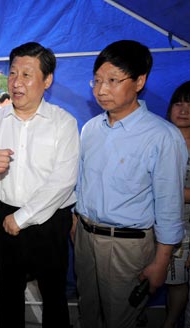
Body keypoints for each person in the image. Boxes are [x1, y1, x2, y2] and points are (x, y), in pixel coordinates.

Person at [0, 42, 79, 328]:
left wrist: (22, 217)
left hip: (50, 221)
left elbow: (63, 182)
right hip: (2, 214)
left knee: (53, 292)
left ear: (47, 80)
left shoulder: (63, 123)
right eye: (13, 73)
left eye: (26, 74)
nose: (16, 82)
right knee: (9, 291)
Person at [73, 40, 186, 328]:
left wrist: (161, 261)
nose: (101, 90)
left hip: (128, 247)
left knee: (121, 319)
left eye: (113, 80)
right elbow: (82, 182)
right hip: (85, 239)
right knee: (88, 312)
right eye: (97, 80)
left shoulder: (162, 136)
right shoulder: (90, 129)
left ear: (139, 81)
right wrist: (76, 224)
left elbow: (169, 205)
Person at [164, 81, 190, 328]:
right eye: (178, 103)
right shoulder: (160, 139)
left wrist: (174, 192)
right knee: (174, 282)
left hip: (187, 228)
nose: (184, 110)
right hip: (164, 225)